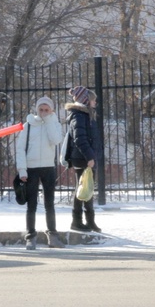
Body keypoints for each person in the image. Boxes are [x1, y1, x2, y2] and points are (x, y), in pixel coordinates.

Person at [15, 96, 65, 250]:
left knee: (49, 204)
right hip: (31, 168)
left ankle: (53, 237)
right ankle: (30, 237)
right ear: (36, 109)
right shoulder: (28, 125)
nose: (43, 112)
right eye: (41, 109)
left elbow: (56, 140)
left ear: (51, 110)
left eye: (46, 109)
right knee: (32, 205)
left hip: (48, 168)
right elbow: (20, 149)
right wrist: (22, 170)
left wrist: (49, 120)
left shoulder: (54, 123)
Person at [64, 86, 102, 232]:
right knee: (82, 189)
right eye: (93, 100)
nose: (95, 103)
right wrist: (90, 157)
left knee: (88, 188)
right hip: (83, 158)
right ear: (86, 101)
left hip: (87, 157)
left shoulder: (86, 115)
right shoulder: (79, 116)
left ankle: (89, 221)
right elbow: (80, 139)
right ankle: (77, 221)